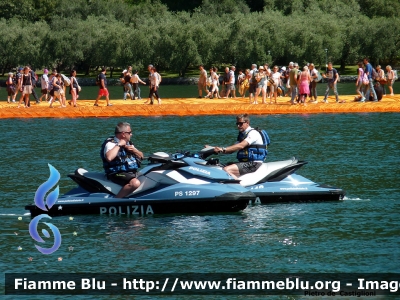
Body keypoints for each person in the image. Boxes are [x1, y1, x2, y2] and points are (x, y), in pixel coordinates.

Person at [208, 114, 270, 180]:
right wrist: (213, 149)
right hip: (246, 163)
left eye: (240, 124)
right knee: (219, 166)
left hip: (254, 164)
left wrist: (223, 149)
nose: (238, 126)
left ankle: (238, 186)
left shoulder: (253, 133)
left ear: (247, 123)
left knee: (226, 169)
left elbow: (241, 145)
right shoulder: (242, 135)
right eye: (237, 124)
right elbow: (231, 150)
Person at [100, 122, 144, 198]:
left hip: (130, 172)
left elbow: (141, 157)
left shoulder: (129, 143)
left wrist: (134, 151)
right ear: (123, 134)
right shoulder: (110, 144)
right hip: (116, 173)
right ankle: (116, 201)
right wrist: (119, 145)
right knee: (135, 183)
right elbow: (109, 157)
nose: (131, 134)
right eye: (130, 132)